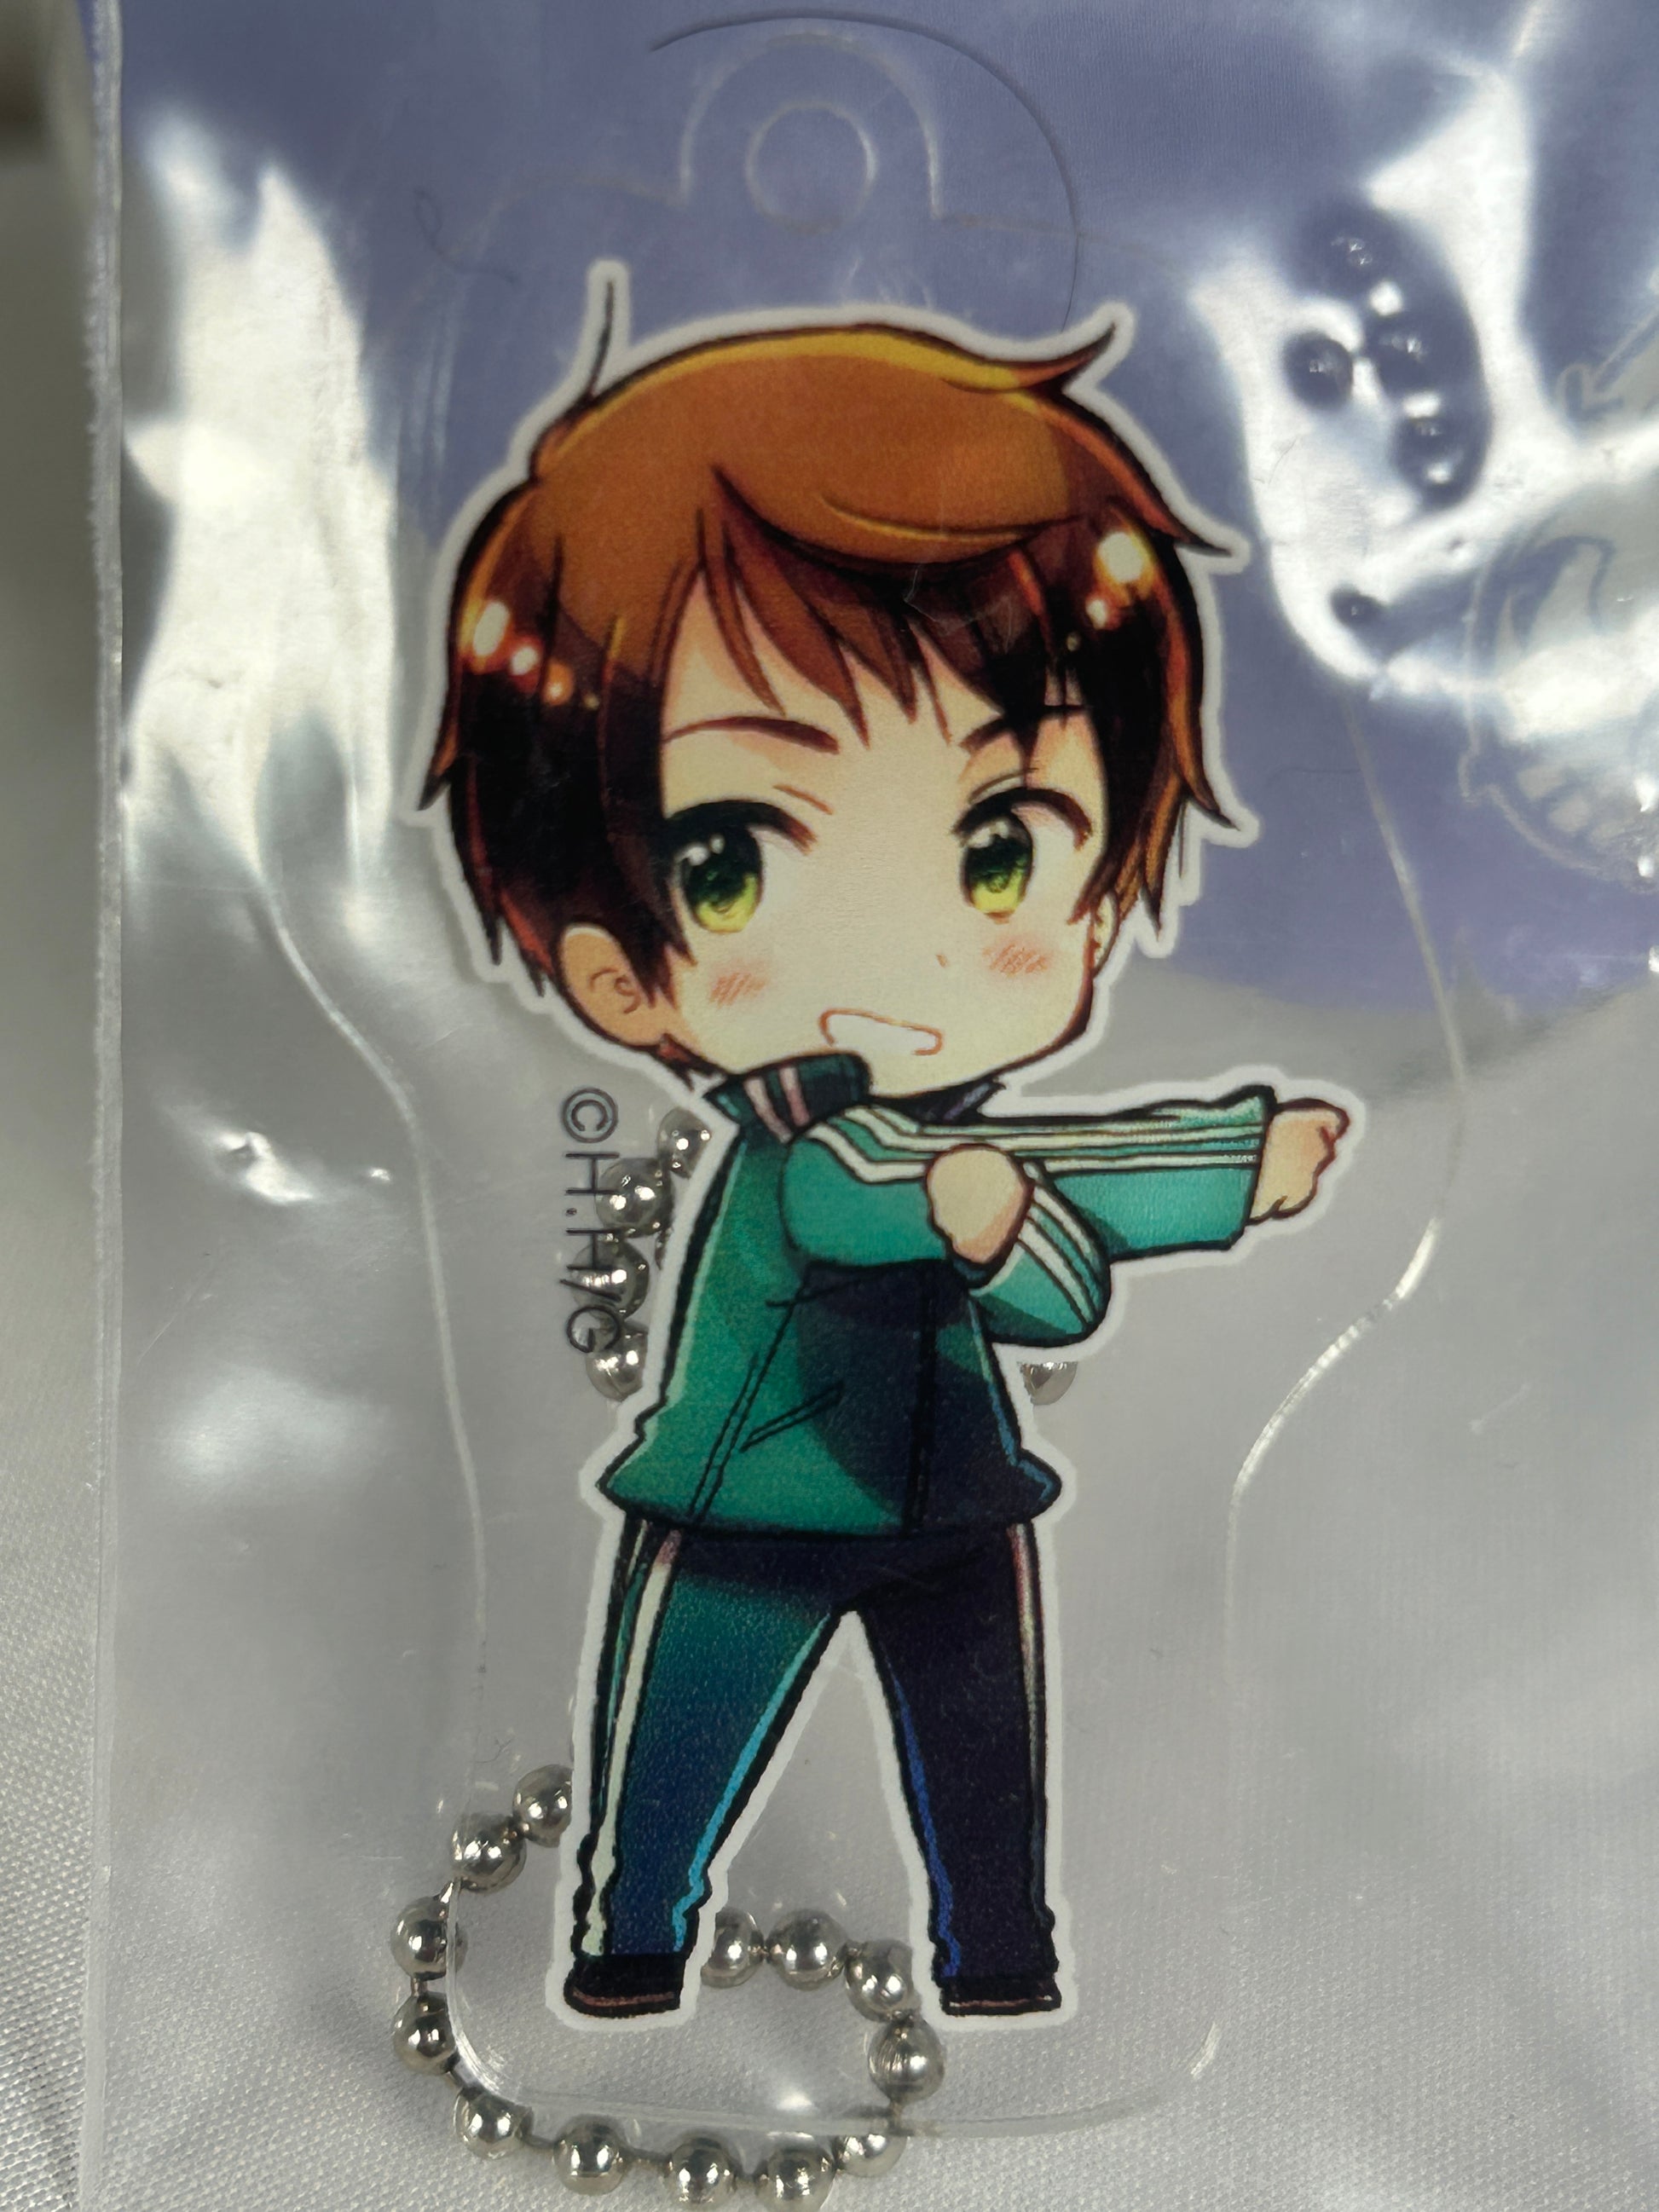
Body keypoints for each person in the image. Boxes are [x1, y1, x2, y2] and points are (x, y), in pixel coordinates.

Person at [425, 292, 1348, 2020]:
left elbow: (1055, 1226)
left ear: (1096, 892)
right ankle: (627, 1949)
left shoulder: (950, 1145)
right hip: (744, 1514)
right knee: (667, 1773)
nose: (914, 946)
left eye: (999, 848)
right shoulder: (813, 1142)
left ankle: (1001, 1959)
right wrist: (1007, 1208)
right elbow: (876, 1199)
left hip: (954, 1504)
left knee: (988, 1778)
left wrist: (1231, 1162)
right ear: (617, 974)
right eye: (730, 863)